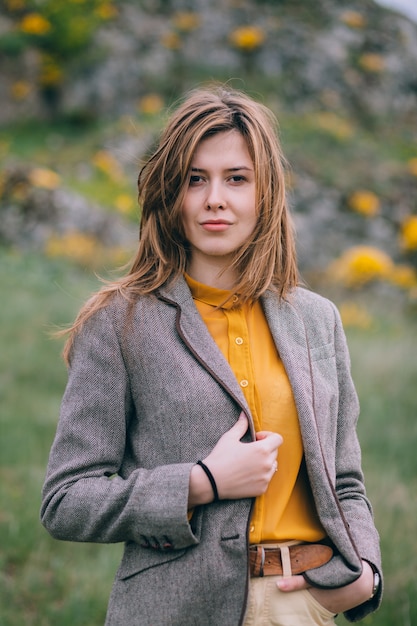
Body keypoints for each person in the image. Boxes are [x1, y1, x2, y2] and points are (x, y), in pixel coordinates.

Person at [41, 85, 382, 626]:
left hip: (304, 605)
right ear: (170, 193)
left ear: (265, 193)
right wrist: (202, 482)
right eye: (194, 179)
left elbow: (345, 482)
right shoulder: (118, 322)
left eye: (236, 179)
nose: (214, 198)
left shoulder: (318, 320)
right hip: (171, 610)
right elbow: (66, 500)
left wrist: (365, 573)